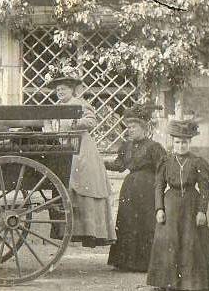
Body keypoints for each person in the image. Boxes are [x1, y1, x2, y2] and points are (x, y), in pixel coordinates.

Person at [44, 68, 116, 247]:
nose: (60, 92)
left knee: (84, 184)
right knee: (67, 184)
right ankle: (72, 230)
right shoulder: (56, 108)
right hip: (65, 148)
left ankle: (91, 232)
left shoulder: (80, 103)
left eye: (64, 89)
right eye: (58, 90)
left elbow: (91, 121)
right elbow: (51, 126)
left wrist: (74, 124)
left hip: (82, 149)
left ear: (72, 90)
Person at [147, 119, 209, 291]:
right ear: (173, 142)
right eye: (177, 142)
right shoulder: (166, 161)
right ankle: (168, 282)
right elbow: (159, 186)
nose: (180, 146)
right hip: (170, 205)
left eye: (184, 142)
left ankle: (193, 283)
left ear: (190, 143)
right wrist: (159, 208)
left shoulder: (197, 162)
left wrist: (202, 211)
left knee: (190, 242)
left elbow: (204, 189)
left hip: (191, 206)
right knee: (170, 241)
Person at [105, 104, 166, 272]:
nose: (130, 130)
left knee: (146, 223)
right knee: (127, 221)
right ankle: (125, 262)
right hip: (130, 189)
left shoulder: (154, 147)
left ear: (143, 128)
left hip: (148, 188)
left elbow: (162, 168)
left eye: (133, 127)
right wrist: (101, 163)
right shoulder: (126, 146)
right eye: (128, 127)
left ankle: (146, 263)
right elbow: (119, 165)